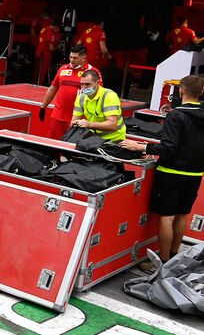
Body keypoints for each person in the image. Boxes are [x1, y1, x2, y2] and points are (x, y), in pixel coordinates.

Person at [121, 75, 204, 271]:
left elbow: (168, 148)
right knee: (182, 214)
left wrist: (141, 146)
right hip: (195, 173)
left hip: (171, 171)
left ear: (181, 91)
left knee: (167, 217)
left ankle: (163, 262)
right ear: (200, 92)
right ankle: (175, 255)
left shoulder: (176, 115)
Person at [40, 45, 98, 139]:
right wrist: (43, 107)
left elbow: (98, 95)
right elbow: (53, 88)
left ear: (84, 58)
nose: (72, 60)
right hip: (58, 117)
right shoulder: (63, 69)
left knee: (72, 149)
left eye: (75, 58)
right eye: (70, 57)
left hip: (80, 120)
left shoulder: (93, 73)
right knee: (53, 146)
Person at [70, 68, 125, 141]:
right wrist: (76, 122)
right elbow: (73, 121)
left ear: (97, 83)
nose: (84, 88)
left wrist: (89, 124)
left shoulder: (109, 96)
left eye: (87, 84)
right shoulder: (81, 98)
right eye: (82, 84)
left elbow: (112, 125)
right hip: (94, 139)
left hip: (114, 140)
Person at [34, 21, 62, 86]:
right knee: (42, 72)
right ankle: (39, 85)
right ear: (56, 26)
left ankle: (34, 84)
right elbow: (51, 48)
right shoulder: (51, 33)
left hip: (39, 52)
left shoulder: (44, 29)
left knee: (37, 71)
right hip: (45, 55)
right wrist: (58, 46)